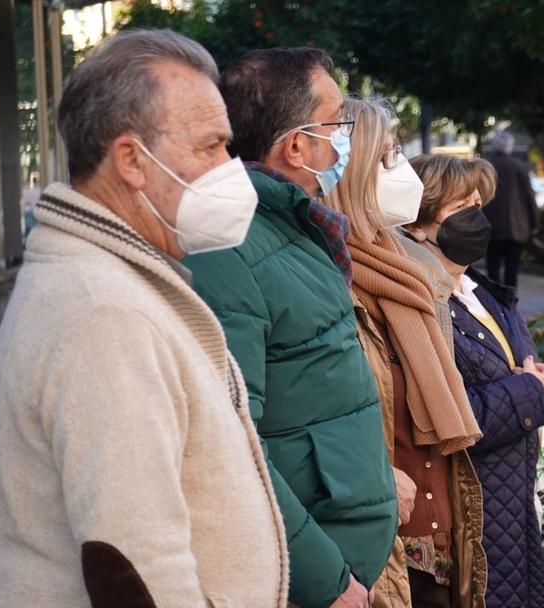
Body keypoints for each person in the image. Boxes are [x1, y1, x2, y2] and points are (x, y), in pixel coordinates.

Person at [0, 30, 289, 607]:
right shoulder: (105, 315)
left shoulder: (109, 283)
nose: (231, 169)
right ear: (130, 160)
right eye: (211, 146)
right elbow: (138, 566)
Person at [183, 49, 397, 608]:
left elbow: (315, 390)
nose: (344, 138)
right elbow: (232, 444)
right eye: (336, 123)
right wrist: (326, 583)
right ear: (297, 144)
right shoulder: (230, 248)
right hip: (307, 583)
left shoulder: (291, 227)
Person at [323, 99, 488, 608]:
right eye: (386, 159)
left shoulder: (414, 270)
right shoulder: (330, 277)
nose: (403, 175)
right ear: (348, 173)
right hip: (378, 546)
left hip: (440, 540)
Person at [407, 154, 544, 608]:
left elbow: (533, 374)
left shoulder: (484, 293)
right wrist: (534, 394)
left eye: (479, 203)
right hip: (475, 515)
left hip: (518, 507)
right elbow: (447, 414)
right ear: (418, 223)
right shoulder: (422, 301)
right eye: (460, 206)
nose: (476, 217)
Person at [482, 131, 537, 288]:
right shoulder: (519, 166)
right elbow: (529, 198)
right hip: (516, 227)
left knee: (492, 268)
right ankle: (509, 301)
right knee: (512, 268)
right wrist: (534, 225)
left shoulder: (486, 166)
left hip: (490, 225)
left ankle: (493, 301)